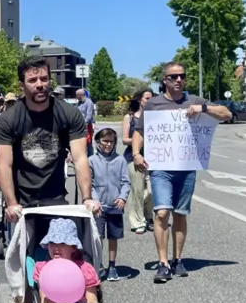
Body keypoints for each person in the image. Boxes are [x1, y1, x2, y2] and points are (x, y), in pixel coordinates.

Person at [0, 57, 98, 303]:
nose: (40, 85)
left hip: (57, 201)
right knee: (24, 274)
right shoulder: (10, 119)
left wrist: (88, 198)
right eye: (32, 81)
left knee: (72, 263)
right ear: (22, 85)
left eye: (43, 79)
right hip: (24, 206)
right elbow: (5, 164)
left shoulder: (67, 113)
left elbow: (79, 159)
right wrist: (11, 202)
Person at [130, 62, 231, 283]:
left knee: (180, 214)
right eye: (173, 76)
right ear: (164, 80)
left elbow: (226, 114)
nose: (178, 80)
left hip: (186, 168)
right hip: (161, 168)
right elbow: (139, 131)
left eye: (182, 76)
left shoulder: (193, 101)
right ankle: (163, 263)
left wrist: (203, 109)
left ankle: (178, 259)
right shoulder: (154, 105)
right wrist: (137, 153)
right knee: (162, 212)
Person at [89, 128, 130, 282]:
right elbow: (89, 184)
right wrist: (94, 201)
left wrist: (122, 197)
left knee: (113, 237)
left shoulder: (120, 160)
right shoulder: (91, 160)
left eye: (111, 141)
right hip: (98, 207)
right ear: (98, 142)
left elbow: (126, 182)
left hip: (115, 206)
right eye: (105, 141)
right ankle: (97, 265)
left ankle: (112, 265)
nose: (108, 144)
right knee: (97, 237)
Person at [121, 90, 154, 234]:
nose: (150, 100)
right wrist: (139, 141)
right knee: (137, 191)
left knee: (152, 191)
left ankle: (148, 217)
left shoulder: (155, 117)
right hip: (133, 158)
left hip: (153, 158)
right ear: (140, 100)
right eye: (147, 98)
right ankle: (138, 221)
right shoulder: (130, 117)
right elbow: (124, 139)